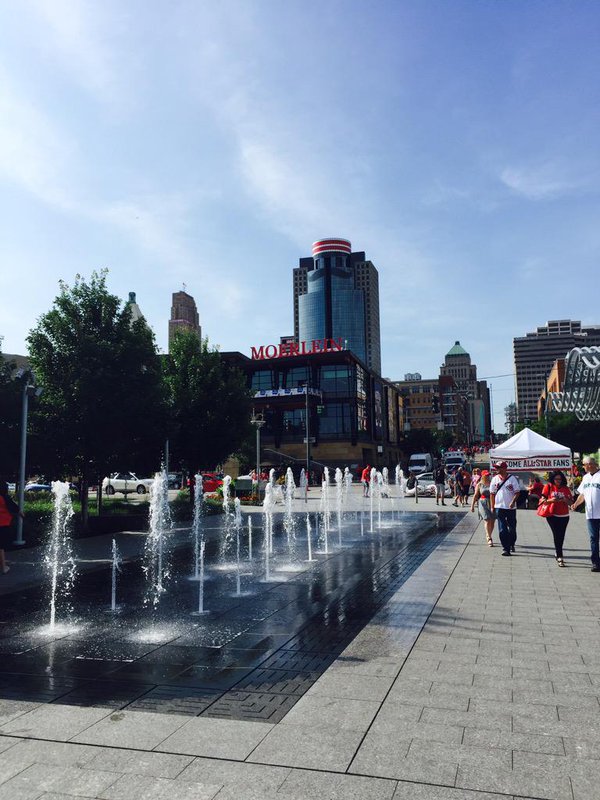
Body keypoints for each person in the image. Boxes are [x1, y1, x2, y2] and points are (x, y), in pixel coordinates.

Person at [571, 455, 600, 572]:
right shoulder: (586, 478)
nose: (583, 466)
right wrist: (576, 504)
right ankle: (595, 563)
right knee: (593, 538)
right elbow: (582, 494)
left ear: (590, 465)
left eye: (584, 464)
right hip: (591, 514)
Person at [538, 471, 572, 567]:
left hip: (564, 515)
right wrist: (551, 500)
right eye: (556, 479)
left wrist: (565, 499)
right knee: (556, 535)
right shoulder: (548, 487)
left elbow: (571, 502)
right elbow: (542, 501)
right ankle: (560, 556)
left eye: (560, 479)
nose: (558, 481)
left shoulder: (565, 488)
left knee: (561, 535)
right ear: (553, 479)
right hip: (552, 514)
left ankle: (558, 552)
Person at [490, 462, 521, 556]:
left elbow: (517, 492)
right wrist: (492, 506)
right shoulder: (495, 479)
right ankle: (505, 548)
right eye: (496, 468)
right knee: (502, 529)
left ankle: (511, 543)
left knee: (512, 529)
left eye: (498, 467)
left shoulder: (512, 479)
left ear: (504, 468)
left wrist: (512, 502)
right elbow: (492, 493)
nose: (496, 469)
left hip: (511, 508)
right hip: (499, 507)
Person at [0, 480, 22, 574]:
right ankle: (4, 567)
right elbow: (14, 507)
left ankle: (3, 563)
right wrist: (21, 513)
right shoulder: (5, 498)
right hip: (3, 524)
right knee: (1, 546)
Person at [471, 470, 495, 546]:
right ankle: (489, 537)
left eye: (488, 475)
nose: (488, 476)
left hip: (492, 502)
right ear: (483, 476)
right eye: (486, 475)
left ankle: (489, 534)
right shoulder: (479, 484)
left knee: (492, 521)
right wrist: (472, 506)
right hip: (483, 502)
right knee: (487, 520)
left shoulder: (492, 483)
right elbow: (475, 495)